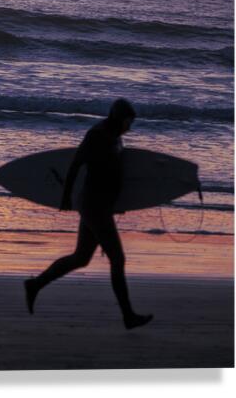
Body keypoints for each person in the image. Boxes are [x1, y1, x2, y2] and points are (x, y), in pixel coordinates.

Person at [23, 98, 153, 330]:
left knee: (81, 258)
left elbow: (114, 173)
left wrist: (119, 202)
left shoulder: (115, 137)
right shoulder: (97, 135)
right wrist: (65, 197)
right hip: (93, 205)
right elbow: (75, 164)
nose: (130, 127)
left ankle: (35, 285)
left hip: (102, 206)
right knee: (118, 259)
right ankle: (128, 316)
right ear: (118, 118)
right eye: (128, 121)